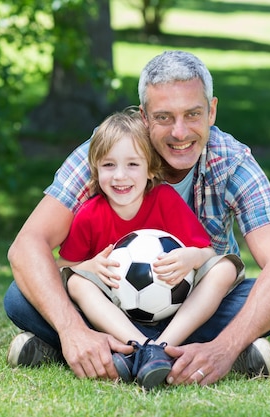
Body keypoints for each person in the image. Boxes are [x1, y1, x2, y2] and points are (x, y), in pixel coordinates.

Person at [4, 50, 270, 386]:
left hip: (195, 310)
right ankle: (122, 349)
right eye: (164, 117)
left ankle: (118, 354)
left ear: (212, 111)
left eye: (193, 114)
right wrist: (71, 328)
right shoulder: (108, 155)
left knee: (256, 297)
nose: (180, 132)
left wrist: (224, 347)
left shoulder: (232, 163)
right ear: (144, 117)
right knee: (20, 298)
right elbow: (27, 246)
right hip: (110, 307)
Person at [54, 108, 245, 389]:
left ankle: (154, 349)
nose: (120, 176)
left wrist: (190, 257)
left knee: (227, 268)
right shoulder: (89, 214)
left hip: (177, 313)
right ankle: (144, 348)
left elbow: (207, 254)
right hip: (113, 314)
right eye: (109, 165)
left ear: (151, 168)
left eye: (132, 164)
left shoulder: (165, 200)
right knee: (72, 287)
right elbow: (62, 268)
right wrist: (89, 267)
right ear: (95, 169)